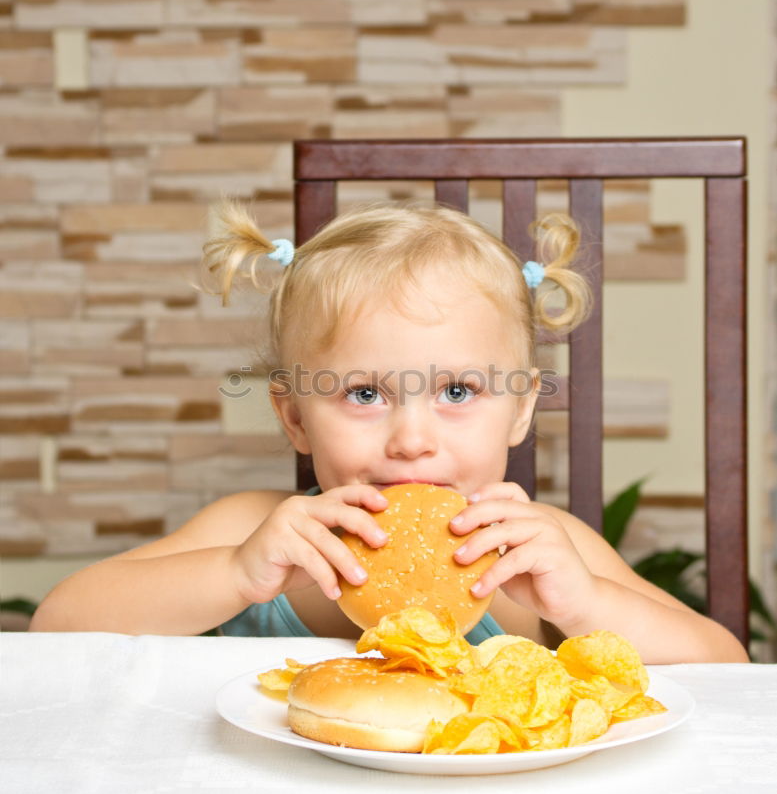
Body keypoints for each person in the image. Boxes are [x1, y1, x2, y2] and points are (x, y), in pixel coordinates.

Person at [31, 200, 748, 662]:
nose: (411, 440)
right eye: (365, 392)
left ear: (521, 409)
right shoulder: (250, 529)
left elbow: (724, 669)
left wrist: (586, 605)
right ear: (295, 416)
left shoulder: (538, 551)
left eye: (458, 391)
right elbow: (56, 627)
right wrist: (232, 573)